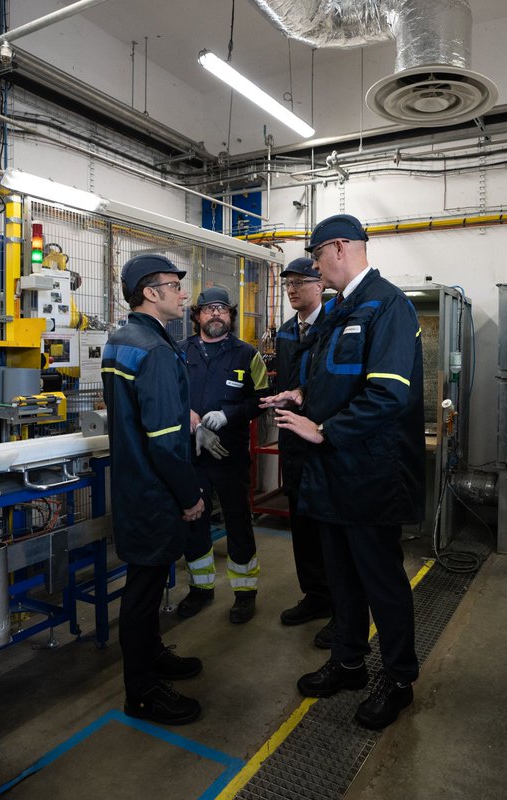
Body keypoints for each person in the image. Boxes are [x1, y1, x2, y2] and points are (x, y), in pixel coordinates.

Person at [261, 213, 426, 731]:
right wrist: (303, 395)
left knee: (381, 581)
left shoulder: (387, 305)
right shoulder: (341, 309)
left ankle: (398, 679)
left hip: (370, 471)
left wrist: (323, 430)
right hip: (331, 473)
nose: (312, 268)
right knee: (342, 578)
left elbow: (388, 393)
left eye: (314, 258)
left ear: (337, 248)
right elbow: (338, 381)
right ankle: (350, 662)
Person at [102, 253, 206, 726]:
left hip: (131, 484)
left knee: (144, 585)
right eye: (174, 284)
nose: (184, 294)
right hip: (155, 490)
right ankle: (141, 691)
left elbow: (137, 415)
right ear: (151, 292)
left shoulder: (121, 341)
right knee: (143, 593)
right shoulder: (158, 350)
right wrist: (190, 497)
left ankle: (152, 657)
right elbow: (166, 445)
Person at [176, 286, 270, 624]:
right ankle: (201, 589)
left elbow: (262, 400)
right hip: (192, 456)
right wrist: (189, 417)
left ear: (230, 315)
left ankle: (245, 593)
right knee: (194, 521)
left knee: (238, 521)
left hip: (229, 456)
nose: (216, 314)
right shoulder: (179, 352)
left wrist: (229, 415)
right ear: (197, 315)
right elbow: (169, 394)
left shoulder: (247, 355)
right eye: (208, 309)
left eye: (222, 309)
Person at [273, 256, 336, 648]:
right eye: (288, 284)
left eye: (300, 281)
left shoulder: (335, 326)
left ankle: (341, 604)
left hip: (325, 438)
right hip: (293, 441)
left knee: (330, 527)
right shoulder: (284, 332)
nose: (293, 289)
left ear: (320, 285)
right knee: (301, 523)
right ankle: (315, 596)